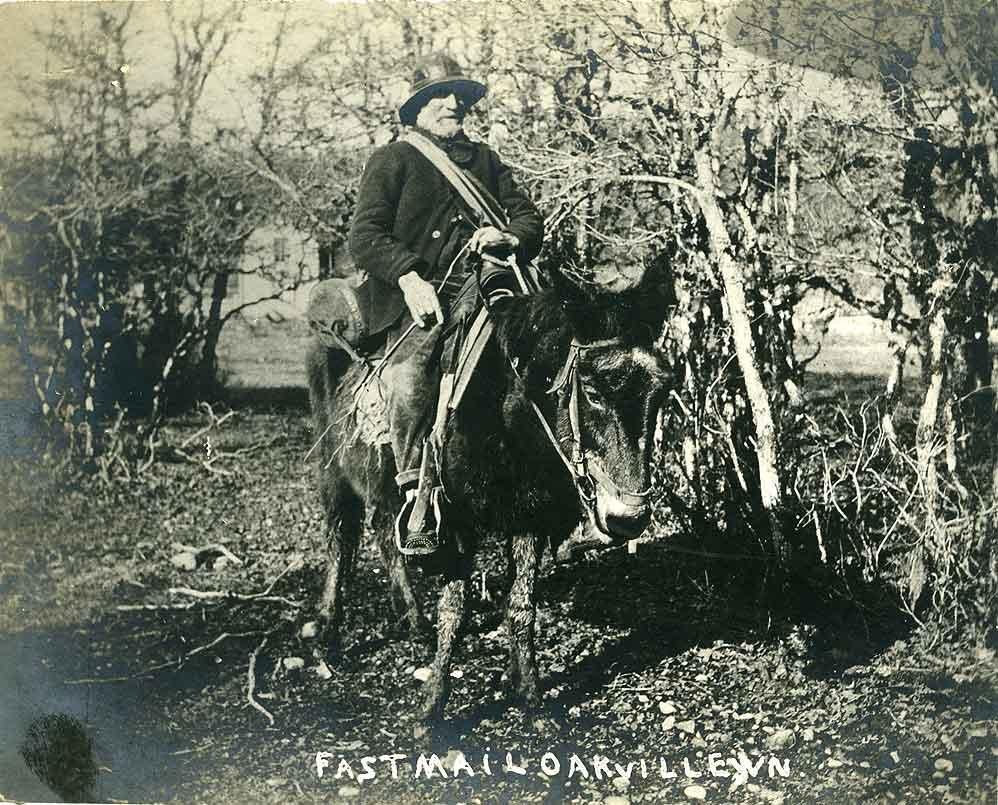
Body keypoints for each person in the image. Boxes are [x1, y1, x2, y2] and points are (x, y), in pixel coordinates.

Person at [349, 52, 544, 556]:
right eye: (440, 96)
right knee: (413, 373)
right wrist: (409, 275)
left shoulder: (485, 160)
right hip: (419, 298)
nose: (453, 104)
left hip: (489, 286)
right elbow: (365, 237)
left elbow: (529, 218)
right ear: (416, 109)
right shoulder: (392, 160)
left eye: (458, 96)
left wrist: (506, 236)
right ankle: (417, 493)